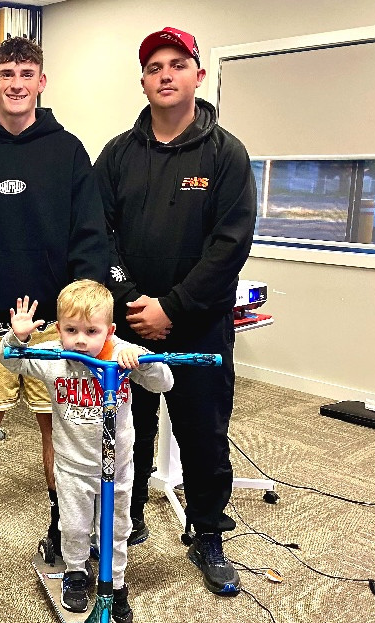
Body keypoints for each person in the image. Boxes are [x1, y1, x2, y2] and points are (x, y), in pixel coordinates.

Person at [93, 27, 257, 594]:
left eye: (177, 64)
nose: (165, 74)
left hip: (198, 325)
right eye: (154, 66)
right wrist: (131, 300)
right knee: (123, 429)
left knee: (203, 434)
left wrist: (174, 307)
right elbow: (100, 235)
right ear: (143, 81)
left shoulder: (226, 155)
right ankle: (128, 516)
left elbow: (230, 246)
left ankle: (207, 533)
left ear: (197, 75)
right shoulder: (116, 154)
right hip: (129, 324)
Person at [0, 36, 109, 569]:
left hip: (55, 330)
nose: (16, 83)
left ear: (41, 82)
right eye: (6, 74)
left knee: (55, 425)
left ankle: (61, 523)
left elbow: (90, 237)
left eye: (26, 73)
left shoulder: (69, 151)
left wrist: (85, 322)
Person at [0, 281, 172, 620]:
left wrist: (143, 360)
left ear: (109, 330)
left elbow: (163, 382)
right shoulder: (54, 357)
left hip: (118, 465)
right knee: (76, 526)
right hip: (72, 466)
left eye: (91, 331)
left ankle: (117, 583)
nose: (80, 339)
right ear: (58, 328)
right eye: (71, 329)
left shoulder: (120, 351)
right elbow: (12, 361)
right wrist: (17, 339)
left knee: (116, 528)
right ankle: (76, 572)